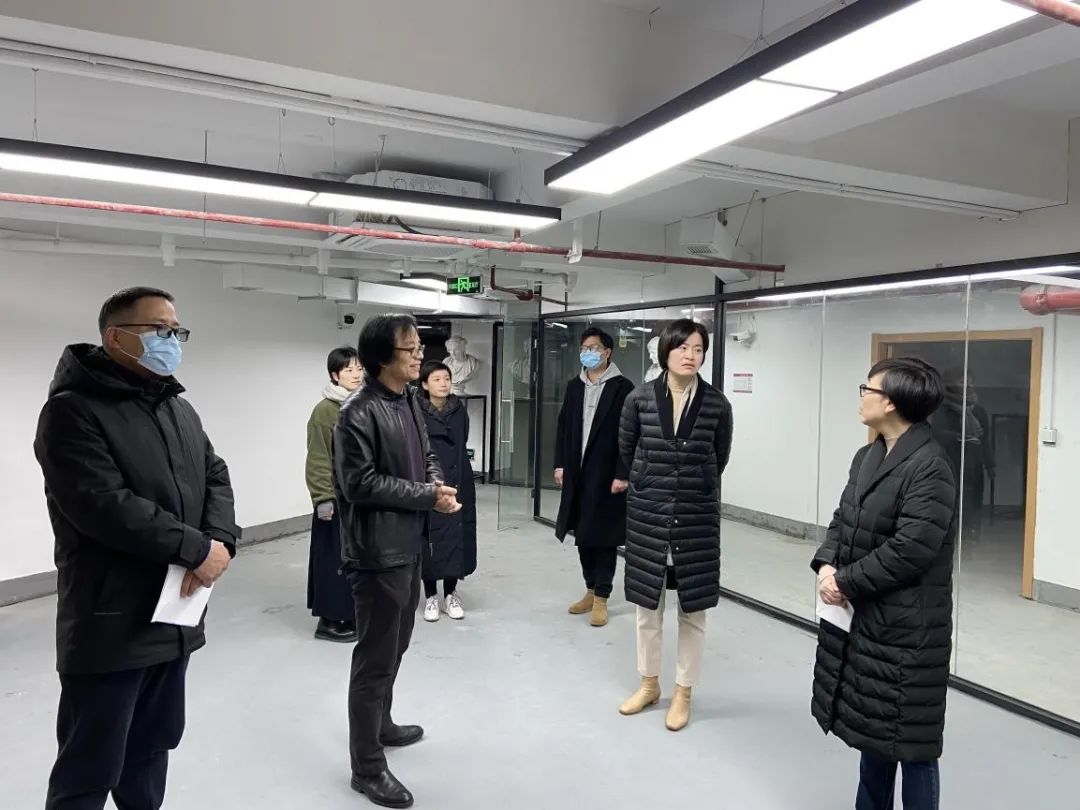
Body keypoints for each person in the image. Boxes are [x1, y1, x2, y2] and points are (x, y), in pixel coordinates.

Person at [33, 286, 239, 810]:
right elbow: (103, 505)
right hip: (111, 624)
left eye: (176, 330)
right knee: (89, 767)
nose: (172, 339)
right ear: (116, 337)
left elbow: (215, 474)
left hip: (174, 617)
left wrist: (219, 542)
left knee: (150, 750)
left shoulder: (177, 409)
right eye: (159, 330)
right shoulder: (71, 412)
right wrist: (196, 549)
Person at [811, 357, 957, 810]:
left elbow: (911, 549)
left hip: (908, 628)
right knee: (873, 731)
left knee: (912, 745)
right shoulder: (868, 454)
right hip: (867, 617)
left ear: (890, 401)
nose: (861, 397)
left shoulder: (930, 465)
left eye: (867, 389)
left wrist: (845, 582)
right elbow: (843, 518)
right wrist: (826, 565)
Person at [334, 313, 461, 808]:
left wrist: (437, 487)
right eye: (411, 349)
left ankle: (381, 725)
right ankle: (366, 767)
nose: (419, 356)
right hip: (376, 553)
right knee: (374, 658)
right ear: (382, 356)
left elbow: (425, 455)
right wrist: (426, 496)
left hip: (408, 545)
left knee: (397, 644)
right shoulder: (356, 413)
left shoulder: (406, 398)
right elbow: (359, 484)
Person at [617, 319, 733, 731]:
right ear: (666, 351)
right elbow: (627, 448)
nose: (691, 355)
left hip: (696, 516)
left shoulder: (717, 404)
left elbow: (719, 456)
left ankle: (683, 691)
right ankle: (649, 684)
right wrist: (649, 482)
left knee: (693, 609)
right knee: (647, 608)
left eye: (698, 349)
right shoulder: (639, 399)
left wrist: (693, 483)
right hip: (648, 513)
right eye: (683, 347)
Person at [553, 327, 635, 628]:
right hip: (577, 472)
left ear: (607, 352)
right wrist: (560, 464)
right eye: (584, 348)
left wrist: (623, 474)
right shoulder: (575, 386)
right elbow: (563, 427)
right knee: (582, 534)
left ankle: (602, 596)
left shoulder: (623, 387)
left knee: (604, 537)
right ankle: (590, 588)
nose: (588, 352)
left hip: (607, 474)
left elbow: (630, 434)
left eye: (594, 347)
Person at [305, 347, 364, 642]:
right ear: (334, 375)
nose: (356, 374)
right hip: (335, 501)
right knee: (333, 561)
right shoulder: (325, 410)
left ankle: (351, 613)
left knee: (356, 560)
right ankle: (329, 621)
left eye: (359, 368)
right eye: (348, 370)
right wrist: (323, 497)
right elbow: (318, 457)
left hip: (360, 500)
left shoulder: (364, 405)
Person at [417, 361, 478, 622]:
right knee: (429, 536)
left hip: (459, 478)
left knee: (456, 534)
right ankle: (430, 595)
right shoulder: (416, 411)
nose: (443, 384)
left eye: (446, 378)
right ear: (424, 384)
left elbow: (462, 440)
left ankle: (451, 593)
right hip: (430, 480)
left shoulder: (458, 410)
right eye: (436, 379)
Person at [931, 368, 993, 545]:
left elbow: (985, 439)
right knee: (951, 500)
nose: (968, 385)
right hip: (951, 461)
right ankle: (948, 540)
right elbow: (937, 434)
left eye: (970, 381)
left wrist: (990, 464)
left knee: (973, 500)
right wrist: (959, 436)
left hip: (974, 462)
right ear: (951, 384)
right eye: (962, 381)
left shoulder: (978, 410)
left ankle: (969, 537)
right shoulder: (942, 409)